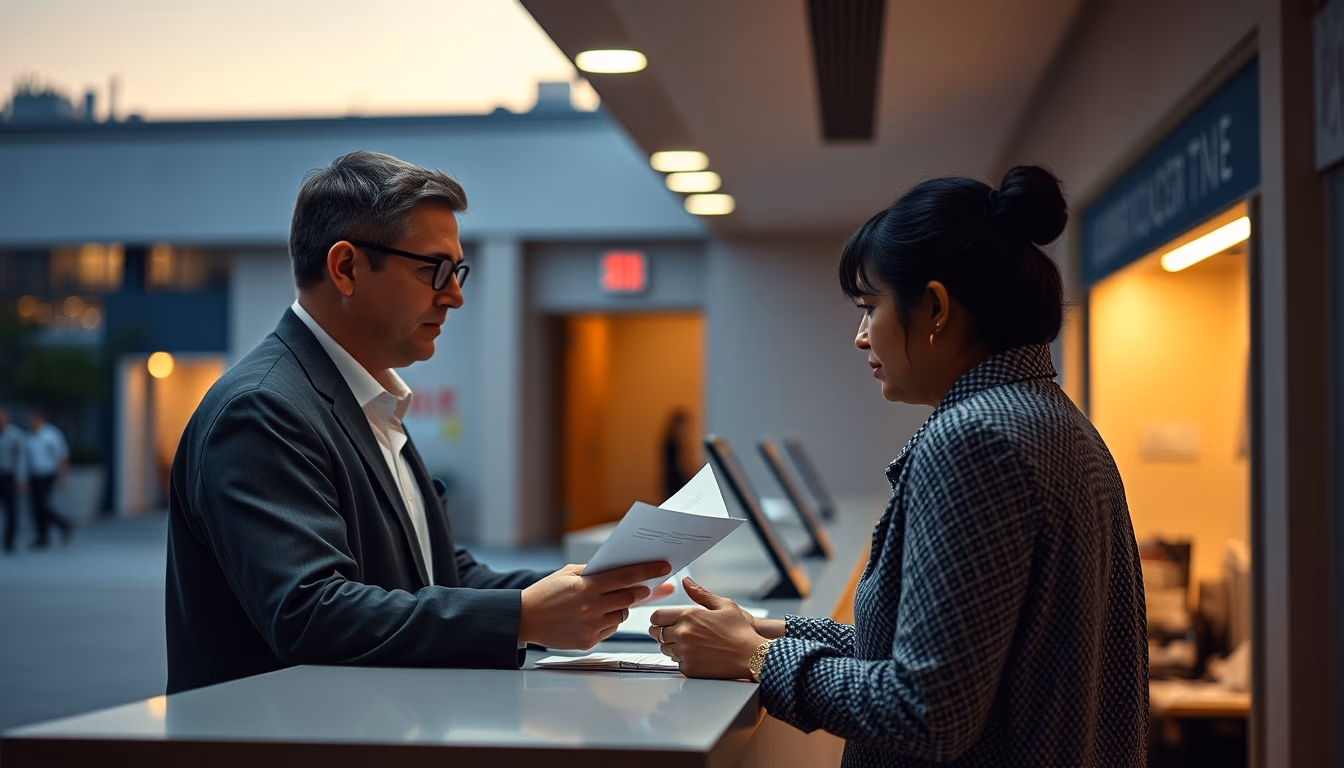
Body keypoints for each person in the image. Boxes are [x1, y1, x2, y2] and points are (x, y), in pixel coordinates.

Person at [649, 167, 1148, 766]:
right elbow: (949, 656)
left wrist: (756, 660)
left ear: (935, 307)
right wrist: (772, 633)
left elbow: (925, 709)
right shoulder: (1052, 418)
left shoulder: (975, 440)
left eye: (869, 308)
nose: (861, 337)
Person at [166, 151, 672, 694]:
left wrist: (588, 591)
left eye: (458, 271)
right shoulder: (262, 409)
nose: (454, 295)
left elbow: (438, 573)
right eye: (435, 269)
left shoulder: (370, 401)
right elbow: (311, 613)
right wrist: (522, 616)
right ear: (346, 268)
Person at [25, 410, 72, 549]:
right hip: (33, 475)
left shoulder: (51, 435)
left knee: (43, 506)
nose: (31, 422)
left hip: (47, 475)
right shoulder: (29, 437)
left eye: (33, 419)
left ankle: (63, 524)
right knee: (35, 508)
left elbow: (62, 456)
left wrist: (62, 476)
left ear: (41, 419)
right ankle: (42, 537)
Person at [0, 408, 25, 554]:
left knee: (11, 511)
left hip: (8, 476)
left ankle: (9, 542)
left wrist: (21, 479)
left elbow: (21, 458)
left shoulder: (14, 435)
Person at [661, 408, 690, 499]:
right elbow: (676, 463)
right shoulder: (671, 442)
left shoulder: (675, 441)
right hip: (673, 479)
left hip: (674, 478)